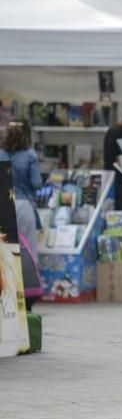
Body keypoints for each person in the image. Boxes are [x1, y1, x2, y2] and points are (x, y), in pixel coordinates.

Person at [0, 119, 43, 308]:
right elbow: (36, 183)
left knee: (5, 250)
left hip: (3, 204)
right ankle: (28, 293)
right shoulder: (30, 155)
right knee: (28, 250)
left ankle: (7, 293)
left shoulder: (0, 153)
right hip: (24, 204)